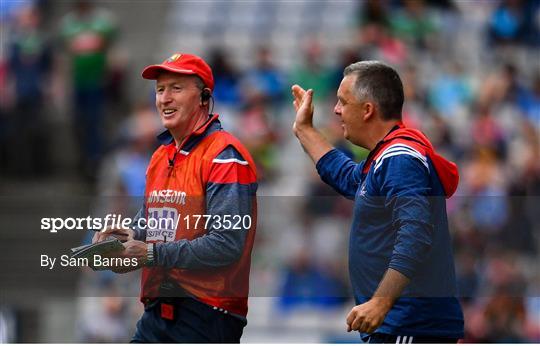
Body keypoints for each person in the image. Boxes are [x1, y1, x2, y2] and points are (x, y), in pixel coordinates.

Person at [291, 61, 464, 343]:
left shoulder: (399, 159)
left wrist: (381, 302)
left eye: (342, 102)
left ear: (368, 109)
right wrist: (305, 130)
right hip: (401, 326)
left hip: (409, 326)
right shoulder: (388, 157)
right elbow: (348, 178)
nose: (336, 110)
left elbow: (416, 234)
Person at [93, 53, 258, 343]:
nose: (164, 99)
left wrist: (149, 253)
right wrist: (119, 242)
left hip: (207, 314)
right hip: (159, 310)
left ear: (204, 97)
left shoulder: (225, 155)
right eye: (160, 90)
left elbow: (227, 244)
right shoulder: (160, 156)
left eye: (176, 88)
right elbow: (149, 227)